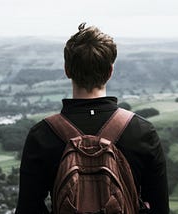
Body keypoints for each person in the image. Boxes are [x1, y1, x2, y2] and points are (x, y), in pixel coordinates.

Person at [15, 23, 169, 214]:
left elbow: (28, 210)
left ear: (67, 70)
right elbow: (160, 208)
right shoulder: (142, 131)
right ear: (110, 72)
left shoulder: (42, 135)